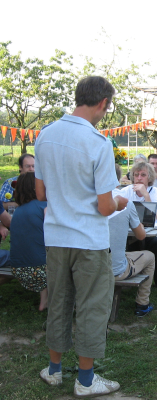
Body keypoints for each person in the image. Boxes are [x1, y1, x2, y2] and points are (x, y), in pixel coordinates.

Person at [35, 76, 128, 397]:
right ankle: (86, 381)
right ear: (103, 104)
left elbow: (40, 192)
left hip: (56, 237)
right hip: (89, 241)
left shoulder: (44, 136)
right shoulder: (98, 143)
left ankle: (54, 369)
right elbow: (105, 207)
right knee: (91, 307)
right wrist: (120, 201)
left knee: (59, 301)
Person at [110, 165, 155, 316]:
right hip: (114, 269)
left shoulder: (84, 201)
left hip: (87, 267)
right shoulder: (125, 201)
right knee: (150, 256)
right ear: (118, 179)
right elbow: (141, 235)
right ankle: (142, 304)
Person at [120, 162, 157, 292]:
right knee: (128, 246)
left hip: (149, 231)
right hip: (129, 231)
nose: (139, 178)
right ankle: (128, 277)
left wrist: (145, 195)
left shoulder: (155, 192)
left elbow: (153, 217)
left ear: (149, 177)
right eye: (136, 175)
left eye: (143, 175)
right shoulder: (125, 191)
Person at [10, 172, 47, 311]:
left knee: (36, 251)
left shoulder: (17, 211)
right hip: (41, 271)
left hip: (18, 270)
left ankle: (44, 300)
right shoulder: (44, 206)